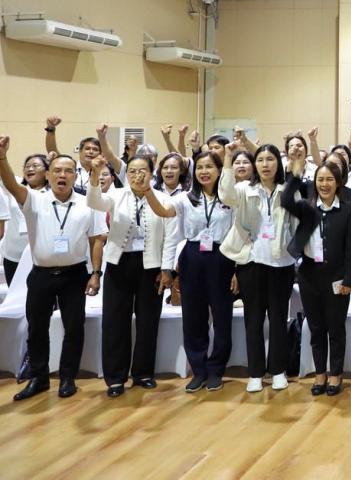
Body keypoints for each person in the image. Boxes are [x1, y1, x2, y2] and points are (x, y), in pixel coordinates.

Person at [0, 137, 105, 400]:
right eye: (57, 170)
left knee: (74, 328)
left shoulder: (88, 204)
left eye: (68, 171)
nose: (62, 175)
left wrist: (95, 273)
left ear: (75, 176)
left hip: (75, 275)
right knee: (37, 328)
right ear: (47, 175)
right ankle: (39, 378)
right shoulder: (34, 199)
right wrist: (2, 158)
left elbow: (96, 240)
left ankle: (68, 378)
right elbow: (11, 185)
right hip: (41, 276)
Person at [144, 149, 237, 392]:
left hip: (222, 256)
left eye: (210, 167)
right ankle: (199, 370)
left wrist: (236, 269)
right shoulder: (186, 198)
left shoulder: (230, 199)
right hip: (193, 256)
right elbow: (163, 211)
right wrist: (147, 191)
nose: (204, 172)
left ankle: (216, 370)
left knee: (222, 317)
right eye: (201, 167)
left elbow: (239, 232)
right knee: (193, 317)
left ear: (219, 171)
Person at [87, 155, 177, 397]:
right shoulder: (116, 195)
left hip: (151, 266)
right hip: (119, 263)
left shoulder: (164, 199)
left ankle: (143, 373)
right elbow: (94, 201)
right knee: (115, 321)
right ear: (126, 175)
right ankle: (115, 378)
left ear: (152, 173)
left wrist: (166, 269)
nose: (138, 175)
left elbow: (170, 238)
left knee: (148, 321)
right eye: (133, 171)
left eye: (143, 170)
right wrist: (95, 173)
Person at [219, 135, 295, 393]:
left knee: (278, 319)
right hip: (251, 262)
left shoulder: (288, 190)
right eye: (260, 159)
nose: (265, 164)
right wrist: (228, 158)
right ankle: (255, 372)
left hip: (281, 263)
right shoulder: (244, 189)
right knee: (253, 320)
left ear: (278, 164)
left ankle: (278, 370)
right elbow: (225, 195)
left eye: (270, 159)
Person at [282, 158, 351, 396]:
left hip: (337, 277)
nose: (324, 184)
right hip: (309, 276)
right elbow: (286, 200)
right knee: (316, 328)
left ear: (338, 183)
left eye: (329, 180)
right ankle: (320, 373)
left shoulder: (347, 209)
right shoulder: (307, 207)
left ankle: (335, 373)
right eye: (320, 180)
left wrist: (350, 280)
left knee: (335, 328)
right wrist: (294, 176)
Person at [2, 153, 49, 284]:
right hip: (13, 254)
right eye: (27, 166)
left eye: (35, 165)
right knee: (15, 294)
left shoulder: (52, 194)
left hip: (40, 256)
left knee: (38, 294)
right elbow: (4, 173)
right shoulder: (14, 187)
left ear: (47, 172)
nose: (30, 169)